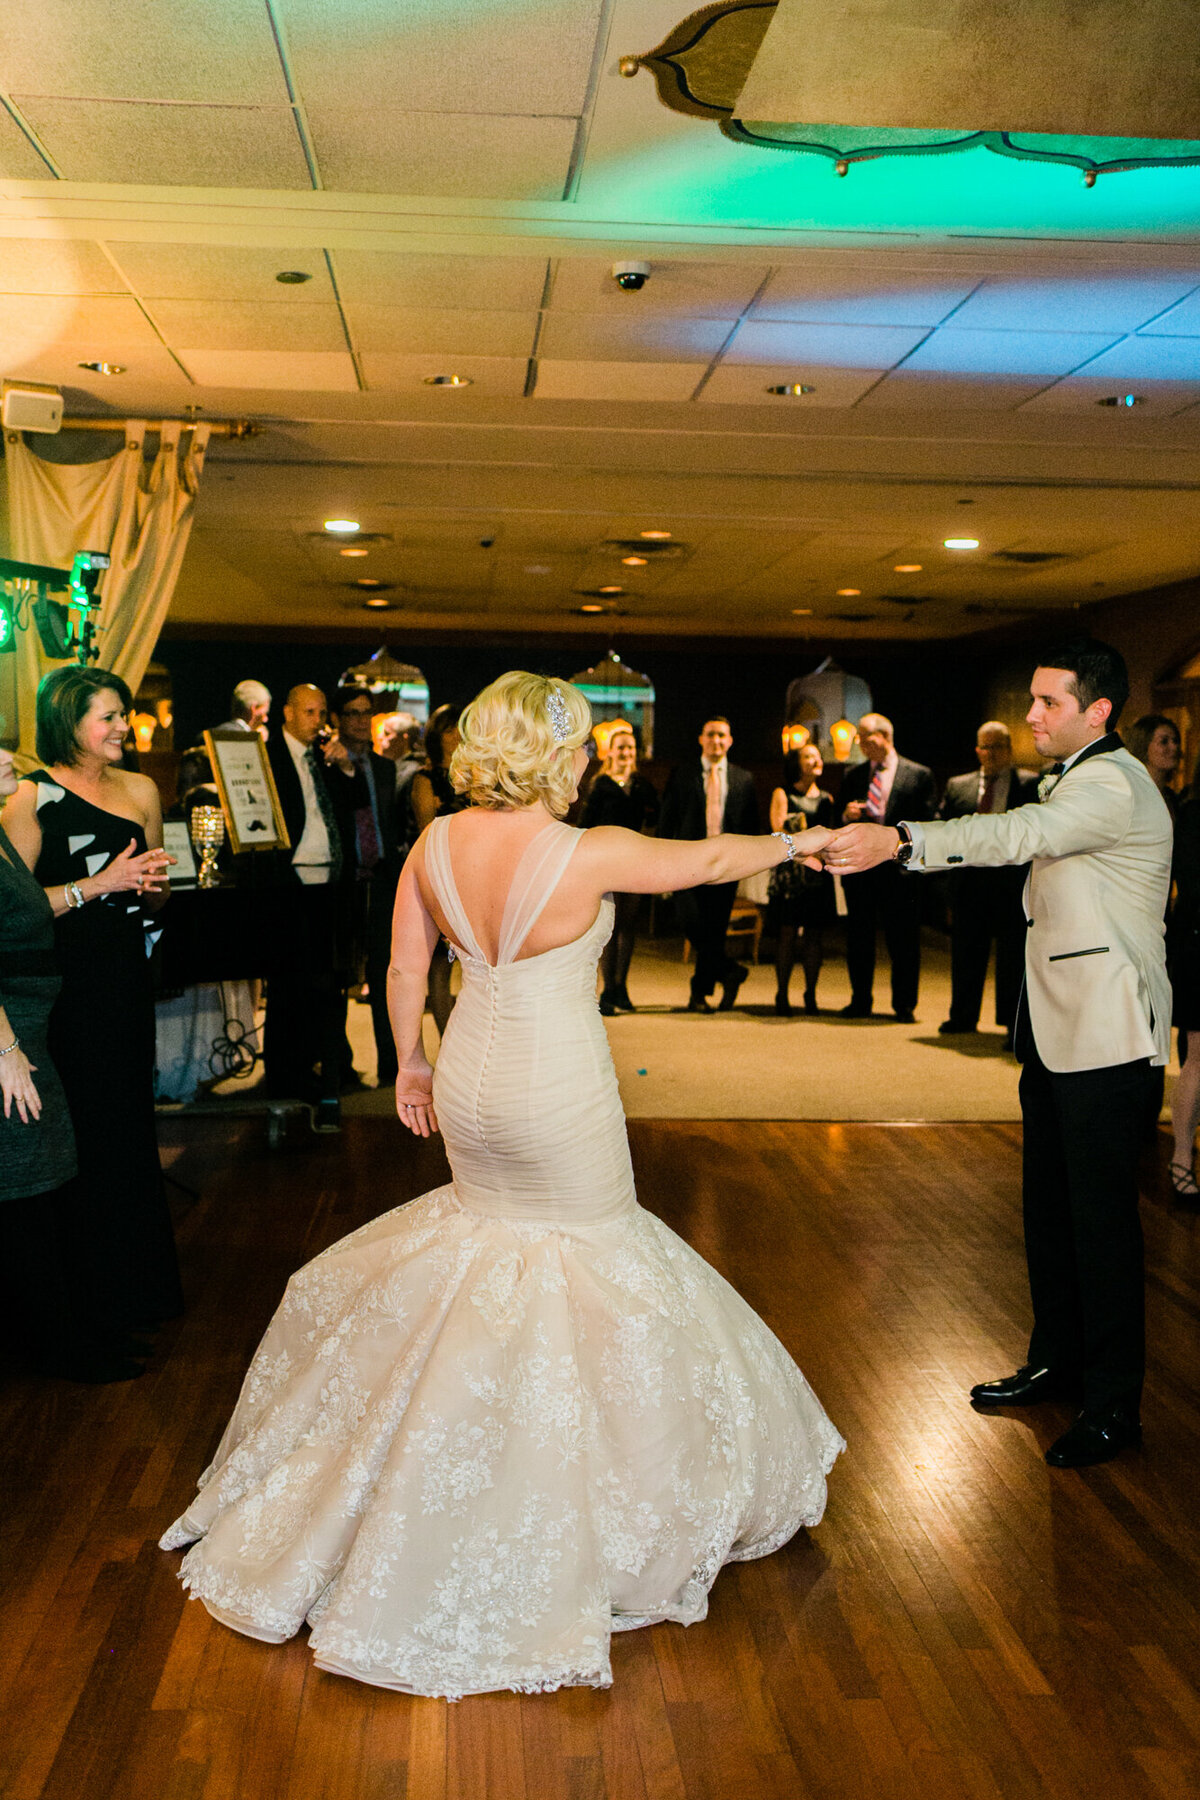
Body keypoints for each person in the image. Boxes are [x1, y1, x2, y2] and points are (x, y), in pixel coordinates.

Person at [161, 670, 842, 1698]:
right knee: (593, 1252)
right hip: (557, 1085)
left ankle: (443, 1478)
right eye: (575, 745)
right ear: (547, 751)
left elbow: (401, 971)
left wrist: (411, 1060)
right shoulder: (584, 850)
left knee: (488, 1244)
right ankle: (578, 1507)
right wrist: (804, 843)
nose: (582, 762)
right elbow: (707, 858)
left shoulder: (435, 844)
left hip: (470, 1074)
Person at [823, 640, 1172, 1469]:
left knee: (1103, 1228)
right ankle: (1057, 1361)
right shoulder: (1080, 775)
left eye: (1048, 702)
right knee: (1050, 1214)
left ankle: (1115, 1403)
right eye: (1033, 700)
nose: (1031, 715)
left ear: (1098, 711)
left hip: (1109, 1041)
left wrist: (899, 839)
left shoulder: (1113, 785)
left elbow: (1019, 831)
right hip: (1056, 1036)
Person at [2, 667, 182, 1363]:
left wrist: (154, 887)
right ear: (66, 721)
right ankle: (83, 1306)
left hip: (123, 982)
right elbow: (14, 914)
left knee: (128, 1131)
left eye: (123, 715)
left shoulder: (140, 790)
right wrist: (95, 886)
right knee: (79, 1141)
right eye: (106, 716)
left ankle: (135, 1293)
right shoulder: (26, 797)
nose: (122, 728)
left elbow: (152, 899)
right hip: (60, 993)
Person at [263, 683, 356, 1129]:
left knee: (327, 984)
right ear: (286, 712)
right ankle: (286, 1078)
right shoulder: (266, 755)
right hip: (289, 877)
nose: (316, 720)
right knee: (289, 986)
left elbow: (346, 810)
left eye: (321, 712)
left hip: (329, 877)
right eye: (308, 711)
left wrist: (344, 769)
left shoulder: (325, 755)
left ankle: (327, 1072)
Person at [936, 722, 1040, 1044]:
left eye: (998, 747)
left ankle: (1012, 1024)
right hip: (969, 883)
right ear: (977, 750)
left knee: (1012, 958)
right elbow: (944, 831)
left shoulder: (1030, 784)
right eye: (985, 747)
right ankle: (962, 1016)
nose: (991, 753)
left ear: (1009, 749)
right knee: (966, 952)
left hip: (1012, 885)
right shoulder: (959, 785)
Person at [835, 714, 936, 1022]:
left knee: (903, 940)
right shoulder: (854, 775)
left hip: (900, 871)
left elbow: (929, 824)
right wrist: (846, 815)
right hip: (861, 871)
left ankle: (904, 1005)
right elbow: (835, 818)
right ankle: (860, 1000)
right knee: (859, 938)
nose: (860, 744)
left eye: (863, 738)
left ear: (882, 737)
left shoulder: (918, 775)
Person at [659, 716, 760, 1012]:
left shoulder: (744, 779)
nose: (716, 741)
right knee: (691, 923)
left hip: (726, 866)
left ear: (730, 741)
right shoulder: (682, 774)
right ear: (701, 739)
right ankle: (731, 971)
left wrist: (748, 862)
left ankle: (699, 995)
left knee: (714, 930)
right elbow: (668, 820)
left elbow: (751, 826)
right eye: (711, 735)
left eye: (722, 736)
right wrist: (663, 856)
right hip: (687, 863)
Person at [331, 684, 401, 1087]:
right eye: (353, 713)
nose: (361, 721)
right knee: (341, 977)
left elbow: (386, 825)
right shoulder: (327, 765)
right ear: (338, 719)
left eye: (366, 713)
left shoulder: (386, 767)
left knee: (387, 975)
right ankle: (341, 1067)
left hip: (383, 880)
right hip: (342, 881)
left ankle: (392, 1068)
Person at [581, 722, 659, 1014]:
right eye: (621, 747)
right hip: (606, 863)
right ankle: (606, 990)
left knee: (628, 925)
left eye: (630, 748)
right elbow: (586, 823)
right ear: (610, 752)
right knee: (608, 928)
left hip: (635, 861)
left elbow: (657, 814)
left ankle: (621, 988)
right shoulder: (600, 785)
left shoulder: (641, 784)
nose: (626, 752)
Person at [409, 703, 467, 1036]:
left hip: (474, 879)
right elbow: (424, 837)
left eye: (460, 728)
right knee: (440, 967)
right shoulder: (425, 778)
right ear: (436, 736)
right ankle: (448, 1042)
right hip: (441, 880)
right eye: (448, 730)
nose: (457, 736)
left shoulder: (476, 778)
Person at [768, 744, 836, 1015]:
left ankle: (811, 994)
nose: (815, 760)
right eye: (808, 756)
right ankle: (782, 994)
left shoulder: (827, 798)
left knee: (814, 936)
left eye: (817, 756)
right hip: (792, 873)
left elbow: (832, 834)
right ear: (796, 763)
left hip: (817, 872)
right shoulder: (783, 793)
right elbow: (777, 830)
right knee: (786, 934)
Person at [1167, 793, 1200, 1200]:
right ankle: (1181, 1158)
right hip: (1197, 943)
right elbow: (1191, 882)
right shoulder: (1194, 813)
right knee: (1199, 1053)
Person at [1125, 713, 1183, 817]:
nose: (1174, 747)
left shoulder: (1171, 798)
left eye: (1176, 741)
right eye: (1164, 741)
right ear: (1143, 746)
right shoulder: (1130, 796)